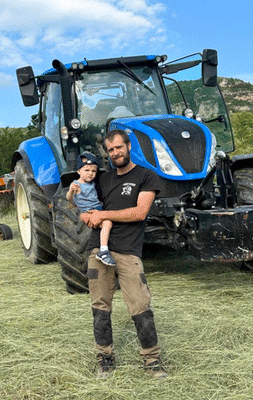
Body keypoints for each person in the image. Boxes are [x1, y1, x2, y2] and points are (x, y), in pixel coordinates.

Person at [80, 129, 167, 379]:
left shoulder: (146, 176)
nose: (116, 153)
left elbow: (139, 212)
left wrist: (104, 215)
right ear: (106, 153)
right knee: (100, 307)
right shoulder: (103, 179)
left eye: (119, 147)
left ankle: (152, 361)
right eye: (111, 150)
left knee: (140, 305)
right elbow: (84, 203)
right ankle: (105, 360)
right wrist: (86, 216)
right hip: (98, 249)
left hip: (128, 250)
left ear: (128, 146)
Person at [66, 152, 115, 266]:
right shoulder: (76, 185)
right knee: (107, 223)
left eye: (93, 171)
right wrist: (71, 190)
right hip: (90, 211)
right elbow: (69, 198)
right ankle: (103, 251)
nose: (90, 173)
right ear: (79, 171)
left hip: (99, 208)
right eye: (87, 170)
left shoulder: (92, 183)